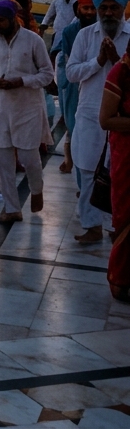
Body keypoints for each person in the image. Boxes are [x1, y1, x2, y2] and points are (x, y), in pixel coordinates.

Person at [65, 0, 130, 244]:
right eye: (103, 8)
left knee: (122, 175)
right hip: (91, 113)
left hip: (122, 116)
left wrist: (117, 61)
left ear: (123, 9)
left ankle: (121, 226)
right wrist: (98, 62)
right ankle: (91, 226)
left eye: (114, 7)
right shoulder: (85, 35)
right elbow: (71, 73)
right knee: (88, 171)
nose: (108, 13)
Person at [0, 0, 53, 222]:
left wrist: (23, 81)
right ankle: (12, 209)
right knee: (4, 159)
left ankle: (36, 190)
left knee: (30, 156)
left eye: (1, 20)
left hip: (27, 107)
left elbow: (47, 74)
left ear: (13, 19)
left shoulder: (33, 41)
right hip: (1, 107)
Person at [55, 0, 96, 176]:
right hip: (74, 86)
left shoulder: (103, 30)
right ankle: (79, 174)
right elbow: (69, 62)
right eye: (85, 8)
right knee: (74, 129)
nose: (89, 12)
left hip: (95, 88)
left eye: (92, 8)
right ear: (78, 9)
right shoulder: (70, 32)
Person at [101, 49, 130, 300]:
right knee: (126, 218)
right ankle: (120, 279)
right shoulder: (121, 72)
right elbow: (106, 120)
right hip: (126, 157)